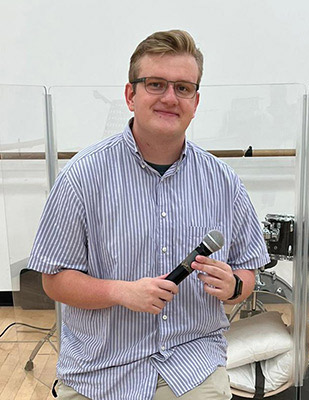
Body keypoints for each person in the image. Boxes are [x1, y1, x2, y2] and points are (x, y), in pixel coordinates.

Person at [27, 29, 269, 400]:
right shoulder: (82, 176)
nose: (170, 98)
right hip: (101, 371)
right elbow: (53, 280)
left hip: (193, 367)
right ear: (130, 95)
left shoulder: (224, 182)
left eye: (183, 88)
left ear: (196, 100)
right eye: (156, 84)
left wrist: (234, 285)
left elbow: (247, 271)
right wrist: (120, 292)